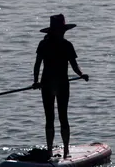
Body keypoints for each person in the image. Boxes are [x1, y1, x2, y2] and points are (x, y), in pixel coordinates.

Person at [33, 14, 88, 159]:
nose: (62, 32)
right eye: (61, 30)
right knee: (50, 117)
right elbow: (37, 64)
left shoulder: (66, 45)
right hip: (49, 84)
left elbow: (74, 66)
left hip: (59, 84)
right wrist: (36, 81)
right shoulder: (45, 44)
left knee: (62, 117)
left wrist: (81, 74)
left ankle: (65, 151)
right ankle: (52, 150)